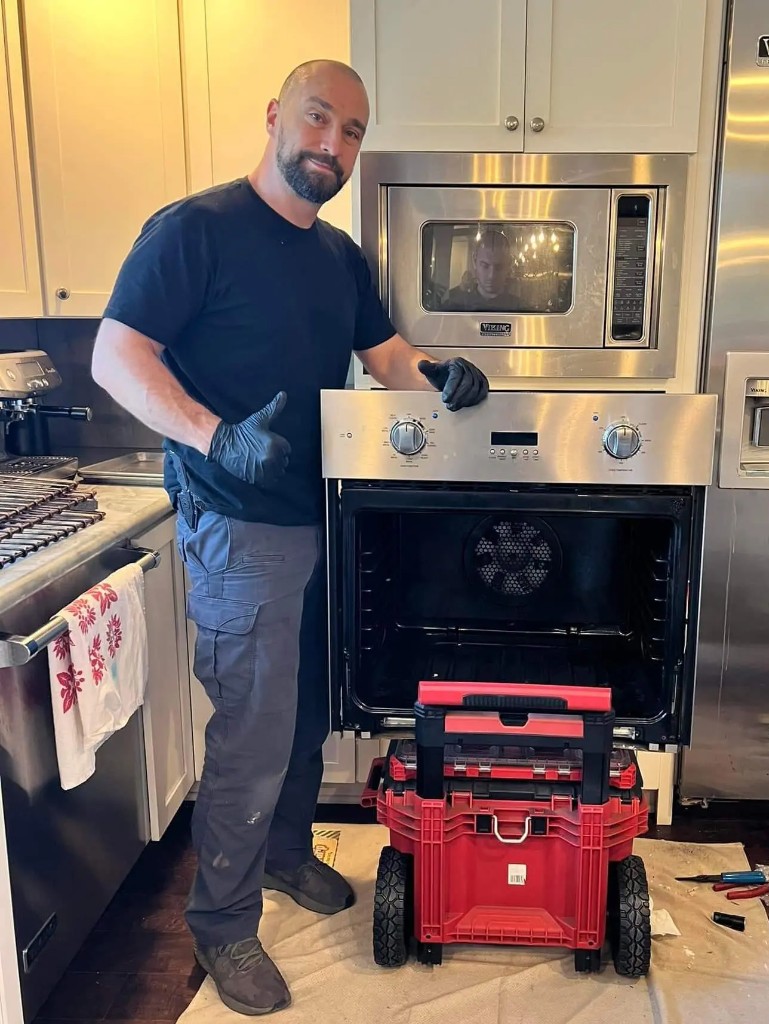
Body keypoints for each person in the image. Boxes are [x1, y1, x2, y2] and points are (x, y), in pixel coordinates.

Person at [91, 59, 488, 1017]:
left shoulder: (337, 256)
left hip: (323, 517)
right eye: (318, 119)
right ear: (276, 115)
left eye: (351, 132)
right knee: (254, 730)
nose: (331, 145)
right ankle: (221, 923)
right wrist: (213, 435)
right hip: (239, 524)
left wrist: (438, 375)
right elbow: (115, 353)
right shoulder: (195, 230)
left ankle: (281, 853)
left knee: (308, 710)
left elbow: (384, 354)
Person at [443, 228, 524, 311]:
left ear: (508, 265)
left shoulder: (521, 309)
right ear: (474, 261)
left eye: (498, 267)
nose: (491, 275)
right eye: (485, 266)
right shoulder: (454, 306)